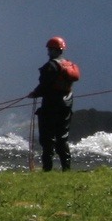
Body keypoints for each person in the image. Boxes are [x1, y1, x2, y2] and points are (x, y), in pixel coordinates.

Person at [27, 36, 80, 171]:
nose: (49, 52)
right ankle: (66, 169)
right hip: (67, 104)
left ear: (51, 50)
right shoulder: (68, 64)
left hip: (51, 105)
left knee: (47, 138)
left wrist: (34, 93)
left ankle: (47, 169)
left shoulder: (50, 66)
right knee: (63, 137)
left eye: (49, 49)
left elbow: (44, 85)